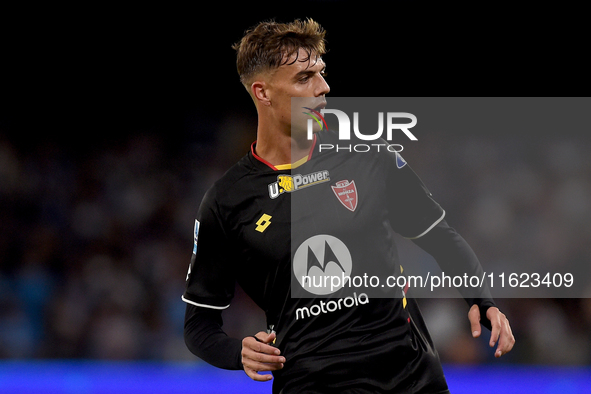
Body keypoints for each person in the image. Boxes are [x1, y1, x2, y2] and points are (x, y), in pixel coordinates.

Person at [182, 18, 514, 393]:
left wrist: (483, 300)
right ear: (263, 92)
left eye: (321, 73)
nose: (323, 88)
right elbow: (199, 323)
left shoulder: (370, 159)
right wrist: (236, 352)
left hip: (409, 375)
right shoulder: (227, 200)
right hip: (312, 383)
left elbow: (440, 237)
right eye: (305, 78)